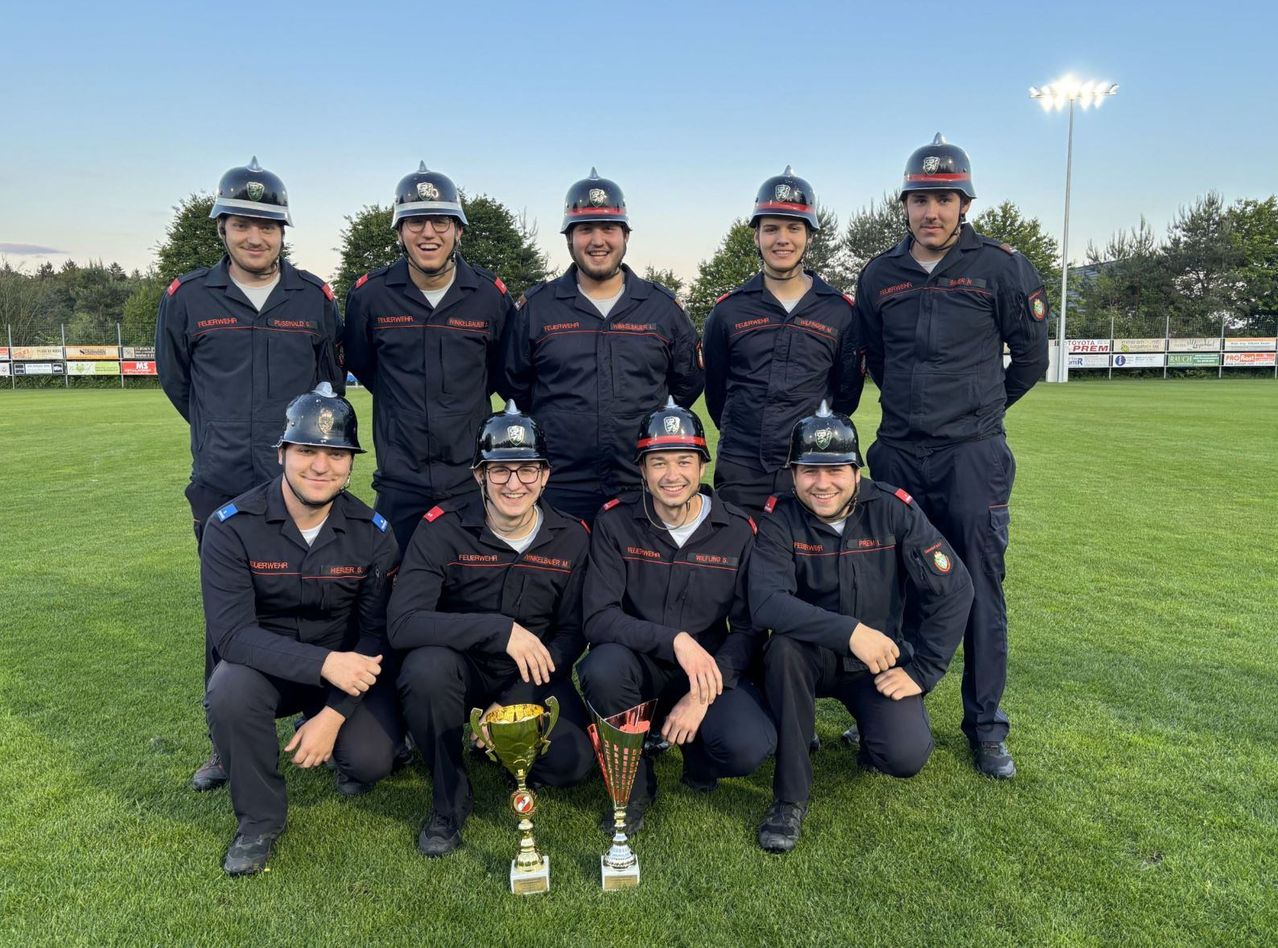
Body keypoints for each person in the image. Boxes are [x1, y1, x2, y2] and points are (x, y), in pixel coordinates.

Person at [853, 133, 1050, 778]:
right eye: (920, 200)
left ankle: (986, 727)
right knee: (893, 587)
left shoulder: (1001, 266)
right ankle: (889, 712)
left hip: (972, 455)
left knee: (980, 588)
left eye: (944, 199)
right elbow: (877, 360)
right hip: (900, 454)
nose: (931, 212)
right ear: (904, 205)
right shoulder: (880, 275)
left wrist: (979, 415)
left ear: (963, 204)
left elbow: (1029, 360)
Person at [156, 156, 345, 793]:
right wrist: (223, 437)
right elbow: (178, 383)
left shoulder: (314, 298)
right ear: (223, 229)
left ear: (283, 232)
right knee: (226, 620)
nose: (256, 236)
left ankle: (340, 721)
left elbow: (330, 388)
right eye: (243, 224)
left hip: (301, 487)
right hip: (221, 482)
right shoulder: (188, 298)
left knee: (322, 599)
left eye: (268, 226)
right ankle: (227, 744)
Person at [749, 403, 973, 852]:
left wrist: (924, 671)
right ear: (792, 474)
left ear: (856, 471)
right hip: (809, 658)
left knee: (904, 756)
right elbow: (767, 604)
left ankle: (872, 734)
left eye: (836, 470)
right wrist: (851, 631)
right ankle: (790, 799)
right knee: (784, 651)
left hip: (877, 664)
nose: (822, 483)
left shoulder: (894, 510)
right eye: (809, 471)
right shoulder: (779, 516)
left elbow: (956, 589)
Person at [200, 384, 401, 876]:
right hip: (264, 668)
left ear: (351, 464)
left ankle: (334, 740)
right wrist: (323, 663)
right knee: (230, 691)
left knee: (372, 762)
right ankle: (259, 822)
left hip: (343, 673)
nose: (320, 466)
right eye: (307, 450)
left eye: (336, 454)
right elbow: (232, 636)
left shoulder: (373, 532)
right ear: (282, 453)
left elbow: (375, 636)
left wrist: (334, 714)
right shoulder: (229, 527)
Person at [388, 401, 595, 857]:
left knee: (572, 765)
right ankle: (449, 800)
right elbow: (403, 623)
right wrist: (498, 630)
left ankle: (508, 749)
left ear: (544, 476)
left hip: (531, 676)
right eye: (500, 471)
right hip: (458, 670)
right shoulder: (440, 528)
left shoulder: (573, 536)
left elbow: (571, 633)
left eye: (526, 471)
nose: (513, 484)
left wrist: (514, 701)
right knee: (426, 670)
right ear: (479, 475)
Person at [577, 399, 775, 835]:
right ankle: (635, 787)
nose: (672, 475)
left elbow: (749, 628)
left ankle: (697, 753)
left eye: (684, 461)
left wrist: (703, 694)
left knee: (746, 747)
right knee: (602, 667)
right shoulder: (614, 523)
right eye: (658, 462)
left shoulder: (739, 529)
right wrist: (676, 641)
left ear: (702, 466)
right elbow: (598, 618)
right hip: (637, 664)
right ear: (642, 471)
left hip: (706, 669)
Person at [500, 169, 703, 522]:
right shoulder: (537, 308)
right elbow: (514, 386)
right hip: (560, 486)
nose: (598, 240)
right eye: (585, 229)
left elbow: (686, 385)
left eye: (608, 228)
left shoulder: (662, 308)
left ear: (625, 235)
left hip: (641, 484)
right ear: (569, 238)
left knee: (641, 578)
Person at [343, 163, 515, 556]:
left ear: (458, 230)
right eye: (415, 222)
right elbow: (366, 369)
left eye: (440, 221)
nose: (428, 233)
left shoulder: (490, 296)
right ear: (400, 232)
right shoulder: (369, 296)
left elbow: (503, 375)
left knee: (472, 591)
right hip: (399, 480)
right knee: (391, 589)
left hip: (469, 478)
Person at [703, 166, 864, 514]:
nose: (782, 239)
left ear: (810, 236)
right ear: (755, 236)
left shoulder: (840, 312)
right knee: (739, 562)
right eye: (771, 228)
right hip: (741, 467)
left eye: (794, 228)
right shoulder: (727, 312)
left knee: (809, 565)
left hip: (811, 468)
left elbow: (846, 395)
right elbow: (716, 393)